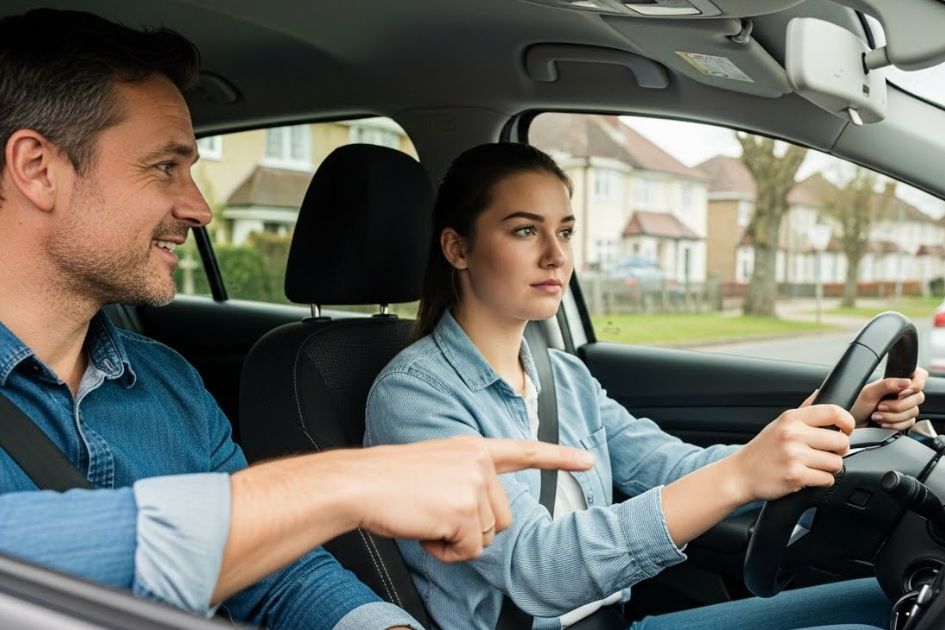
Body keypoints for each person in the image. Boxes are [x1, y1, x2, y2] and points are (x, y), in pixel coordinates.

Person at [0, 9, 596, 630]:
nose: (199, 208)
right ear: (39, 169)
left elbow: (280, 577)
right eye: (164, 167)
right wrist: (343, 484)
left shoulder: (166, 381)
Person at [363, 142, 929, 630]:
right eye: (524, 230)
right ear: (457, 248)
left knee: (887, 600)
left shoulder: (564, 376)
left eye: (564, 231)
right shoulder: (415, 395)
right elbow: (536, 568)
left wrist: (829, 430)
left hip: (618, 621)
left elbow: (674, 467)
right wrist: (739, 476)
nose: (556, 255)